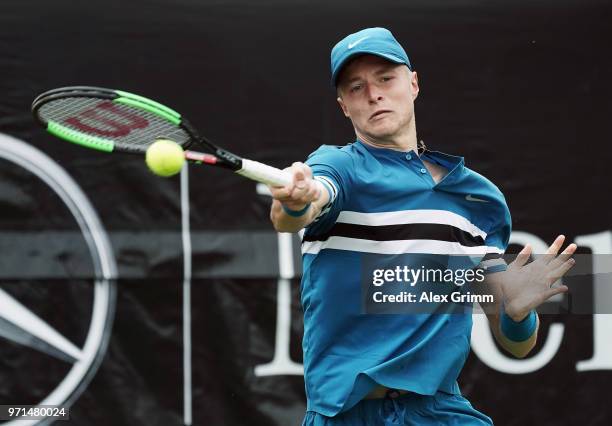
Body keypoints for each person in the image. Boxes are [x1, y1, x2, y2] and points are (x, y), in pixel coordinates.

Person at [268, 27, 576, 425]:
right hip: (345, 415)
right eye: (356, 87)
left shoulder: (476, 198)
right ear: (344, 106)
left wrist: (516, 315)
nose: (373, 94)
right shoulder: (338, 166)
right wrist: (297, 200)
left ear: (413, 84)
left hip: (437, 413)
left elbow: (517, 346)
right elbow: (302, 207)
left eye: (385, 78)